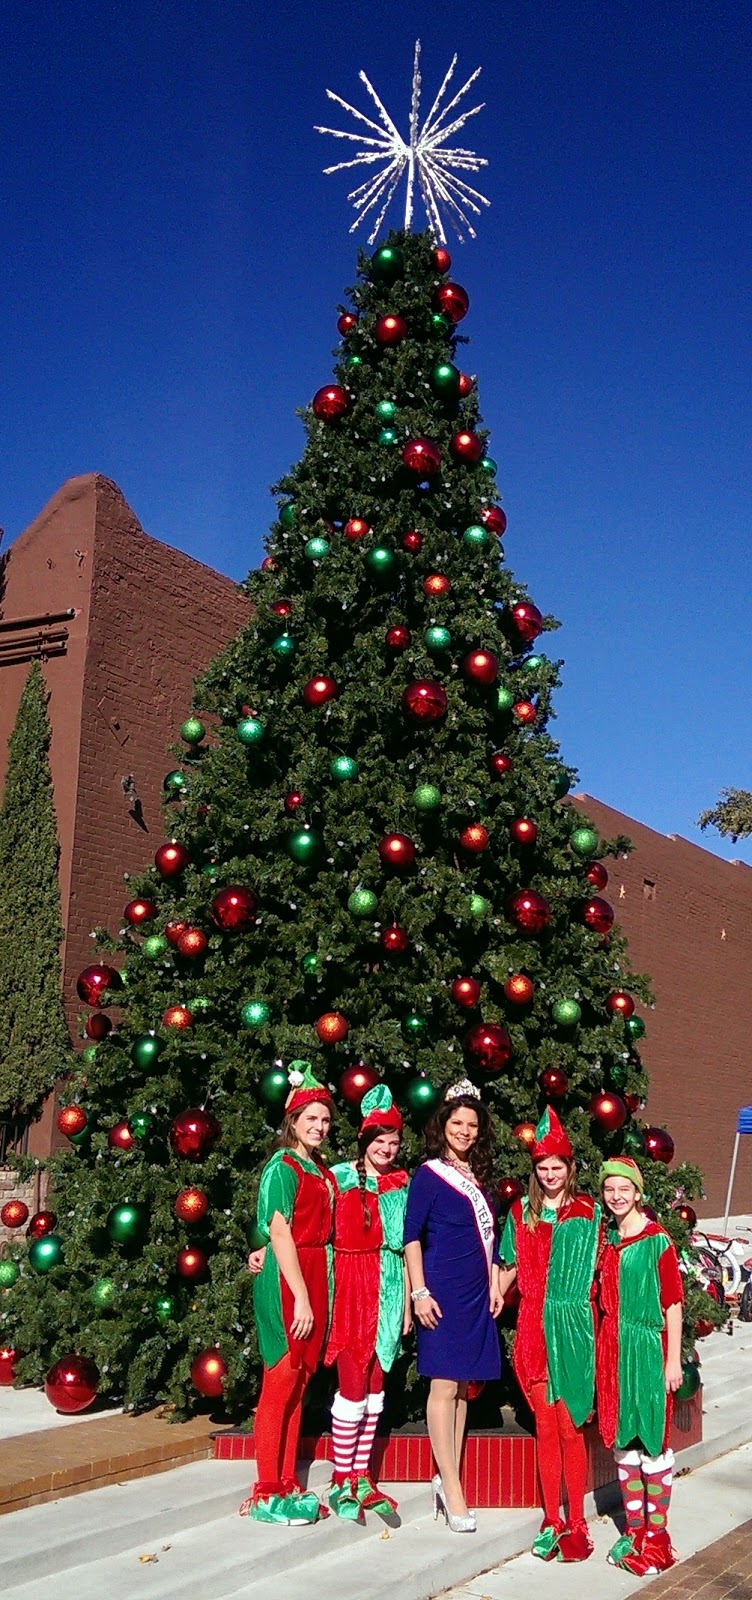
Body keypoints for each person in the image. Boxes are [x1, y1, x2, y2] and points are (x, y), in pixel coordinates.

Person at [497, 1106, 602, 1563]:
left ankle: (577, 1520)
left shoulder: (590, 1211)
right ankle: (551, 1518)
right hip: (535, 1328)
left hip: (575, 1328)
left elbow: (605, 1268)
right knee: (545, 1425)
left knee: (570, 1426)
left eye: (557, 1165)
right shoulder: (521, 1211)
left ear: (569, 1167)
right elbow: (508, 1265)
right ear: (535, 1171)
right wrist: (494, 1298)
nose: (551, 1173)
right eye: (543, 1167)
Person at [404, 1079, 503, 1534]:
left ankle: (449, 1477)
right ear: (442, 1125)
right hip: (441, 1293)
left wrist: (497, 1285)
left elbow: (493, 1240)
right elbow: (411, 1238)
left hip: (476, 1293)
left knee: (462, 1388)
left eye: (472, 1125)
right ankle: (452, 1484)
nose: (464, 1131)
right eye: (457, 1123)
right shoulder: (428, 1174)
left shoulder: (481, 1177)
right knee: (443, 1387)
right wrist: (419, 1292)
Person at [240, 1062, 337, 1526]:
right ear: (292, 1122)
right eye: (310, 1118)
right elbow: (279, 1233)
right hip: (288, 1279)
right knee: (280, 1380)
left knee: (299, 1384)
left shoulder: (320, 1170)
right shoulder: (283, 1167)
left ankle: (285, 1481)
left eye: (325, 1120)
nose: (318, 1126)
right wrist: (300, 1296)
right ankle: (265, 1490)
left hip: (313, 1274)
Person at [324, 1084, 410, 1522]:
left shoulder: (401, 1182)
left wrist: (409, 1302)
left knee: (377, 1385)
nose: (388, 1149)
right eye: (380, 1141)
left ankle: (361, 1477)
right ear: (365, 1140)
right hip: (351, 1288)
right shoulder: (337, 1178)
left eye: (394, 1142)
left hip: (390, 1288)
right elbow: (311, 1229)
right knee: (353, 1384)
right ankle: (341, 1478)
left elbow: (410, 1245)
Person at [597, 1157, 684, 1577]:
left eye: (624, 1189)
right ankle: (633, 1528)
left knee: (652, 1439)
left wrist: (672, 1361)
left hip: (648, 1347)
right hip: (614, 1349)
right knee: (624, 1438)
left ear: (637, 1193)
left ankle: (657, 1534)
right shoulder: (607, 1239)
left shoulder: (657, 1240)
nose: (617, 1196)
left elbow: (673, 1303)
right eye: (610, 1189)